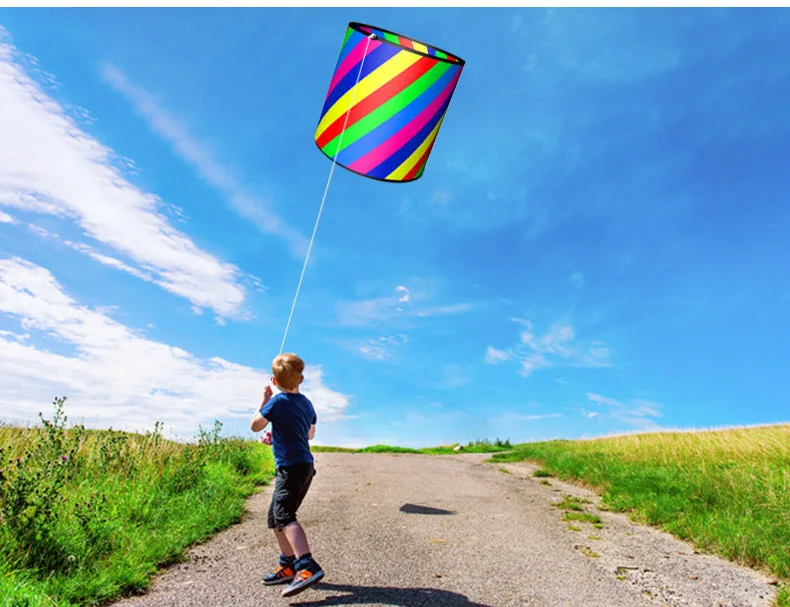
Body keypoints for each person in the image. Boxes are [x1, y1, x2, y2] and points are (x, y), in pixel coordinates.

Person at [250, 353, 324, 598]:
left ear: (273, 379)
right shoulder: (306, 403)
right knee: (275, 517)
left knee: (285, 515)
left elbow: (255, 425)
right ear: (301, 379)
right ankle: (288, 564)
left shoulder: (277, 402)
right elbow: (310, 435)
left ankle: (306, 565)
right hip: (303, 465)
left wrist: (264, 399)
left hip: (291, 467)